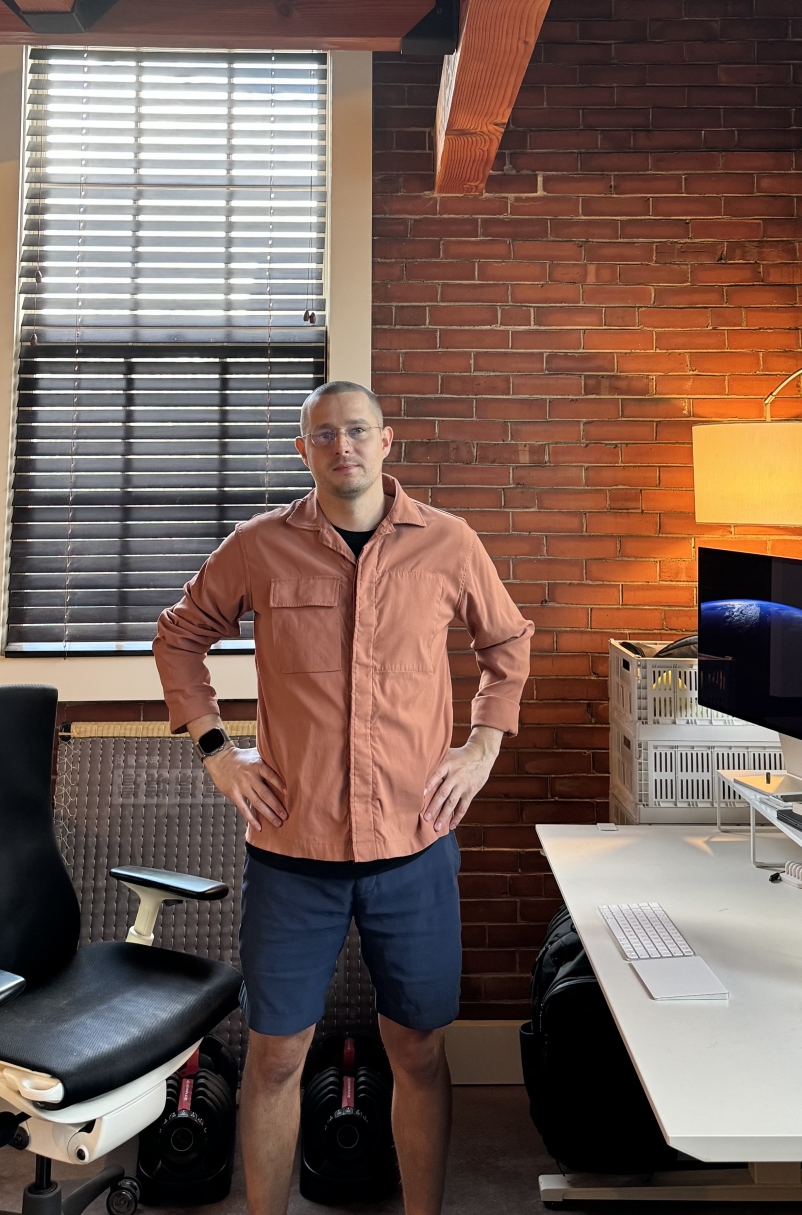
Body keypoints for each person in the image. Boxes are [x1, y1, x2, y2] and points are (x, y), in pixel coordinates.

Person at [153, 380, 533, 1215]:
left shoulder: (449, 543)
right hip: (293, 855)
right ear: (304, 451)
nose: (343, 448)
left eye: (357, 432)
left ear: (387, 441)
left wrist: (481, 747)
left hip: (416, 848)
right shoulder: (258, 546)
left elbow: (506, 642)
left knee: (420, 1051)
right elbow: (179, 635)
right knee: (276, 1056)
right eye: (324, 436)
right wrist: (217, 751)